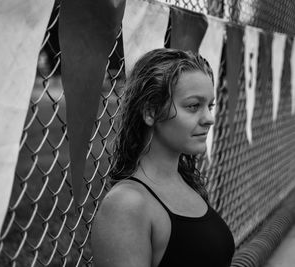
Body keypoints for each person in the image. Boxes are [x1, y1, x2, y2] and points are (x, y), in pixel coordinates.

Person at [91, 48, 235, 267]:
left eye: (210, 106)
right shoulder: (126, 206)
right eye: (193, 106)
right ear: (150, 112)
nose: (209, 118)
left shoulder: (187, 182)